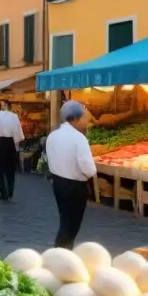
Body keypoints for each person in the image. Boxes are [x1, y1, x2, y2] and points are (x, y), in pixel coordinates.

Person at [46, 101, 96, 249]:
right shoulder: (79, 139)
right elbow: (88, 168)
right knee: (71, 225)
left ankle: (62, 252)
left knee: (65, 220)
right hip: (75, 187)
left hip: (58, 184)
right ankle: (61, 253)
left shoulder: (53, 136)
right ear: (75, 119)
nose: (87, 121)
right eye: (84, 117)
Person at [0, 101, 25, 200]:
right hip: (11, 142)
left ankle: (3, 193)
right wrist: (16, 144)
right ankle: (10, 191)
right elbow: (18, 131)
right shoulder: (14, 116)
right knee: (10, 169)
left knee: (0, 170)